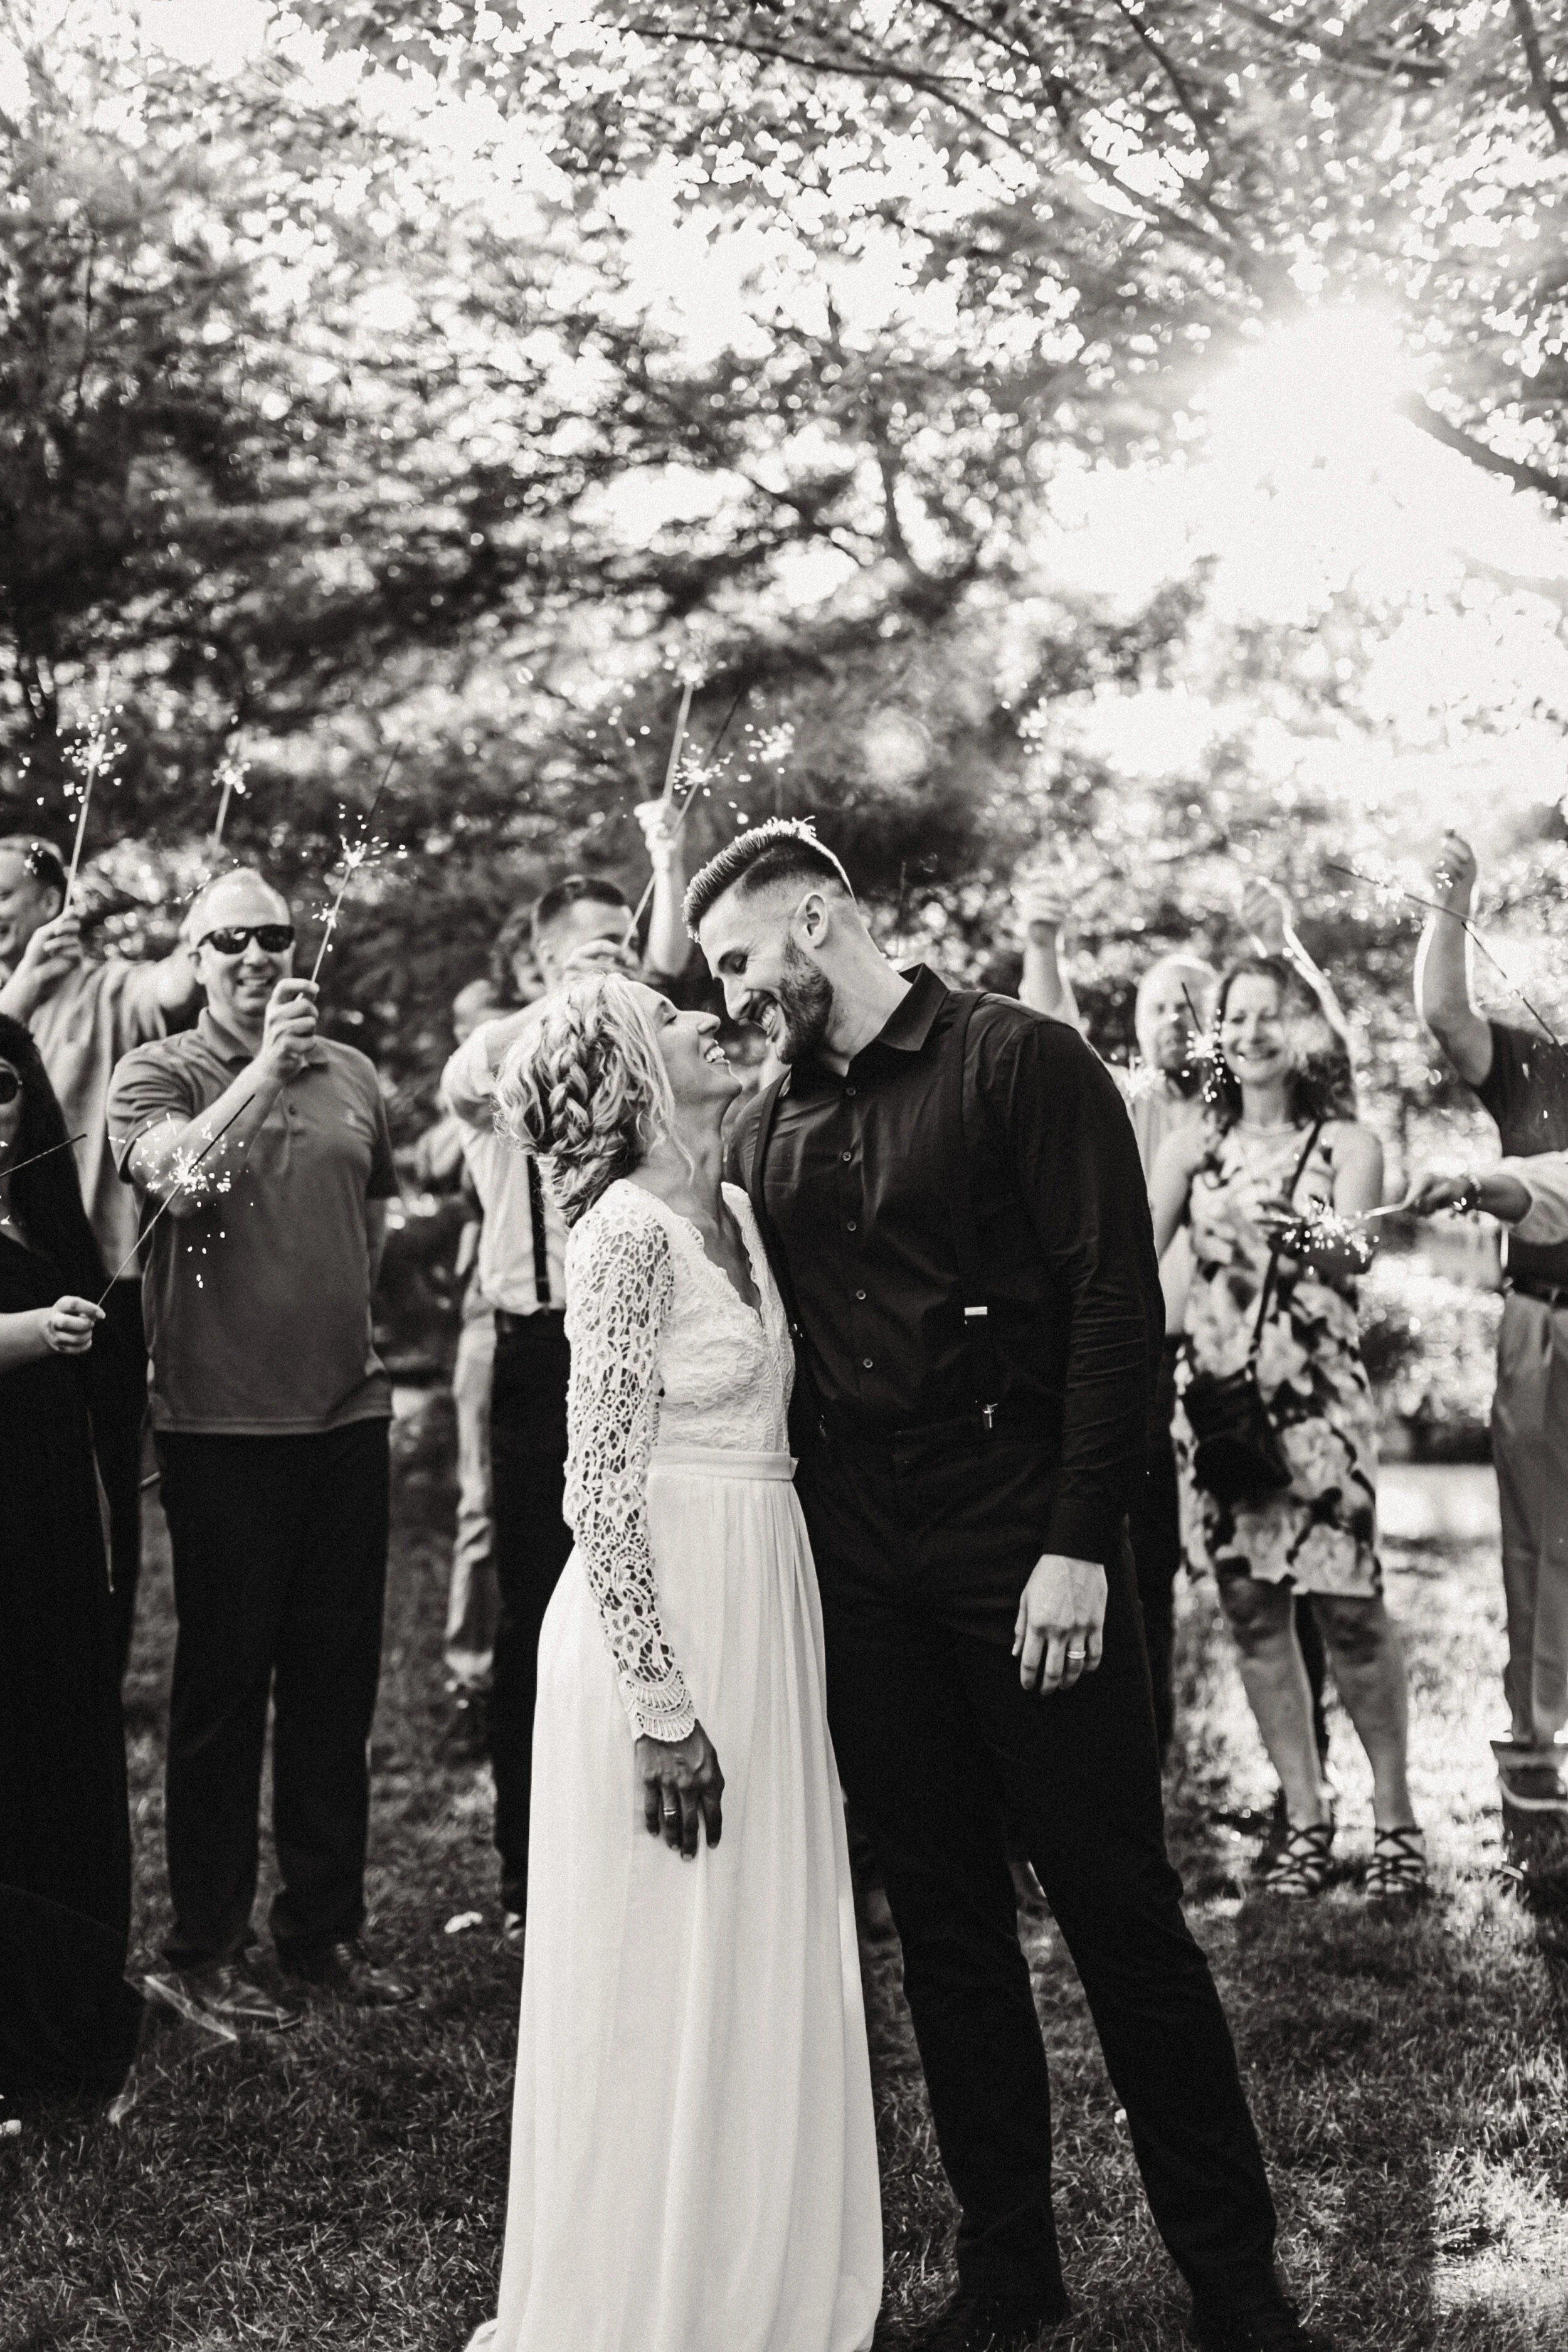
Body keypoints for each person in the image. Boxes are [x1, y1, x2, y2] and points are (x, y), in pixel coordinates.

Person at [691, 820, 1322, 2352]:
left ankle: (1235, 2283)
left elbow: (1113, 1305)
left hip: (1018, 1523)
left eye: (735, 957)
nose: (726, 992)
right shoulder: (772, 1119)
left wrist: (1073, 1543)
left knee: (1118, 1907)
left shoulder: (1018, 1060)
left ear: (819, 916)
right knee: (948, 1921)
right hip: (865, 1556)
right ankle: (1008, 2270)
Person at [465, 973, 881, 2352]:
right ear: (633, 1071)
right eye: (668, 1009)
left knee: (758, 1942)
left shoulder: (743, 1216)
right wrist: (657, 1703)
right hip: (664, 1633)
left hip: (764, 1591)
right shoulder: (624, 1237)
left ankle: (758, 2275)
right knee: (662, 1969)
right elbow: (596, 1485)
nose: (703, 1013)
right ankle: (647, 2301)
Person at [105, 866, 411, 2028]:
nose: (252, 954)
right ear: (194, 959)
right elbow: (185, 1182)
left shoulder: (357, 1076)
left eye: (272, 936)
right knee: (226, 1690)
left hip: (346, 1415)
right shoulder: (160, 1071)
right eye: (226, 938)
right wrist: (261, 1074)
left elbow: (369, 1212)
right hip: (220, 1424)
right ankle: (202, 1946)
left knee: (337, 1689)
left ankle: (322, 1932)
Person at [442, 808, 691, 1957]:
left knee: (652, 1589)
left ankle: (652, 1841)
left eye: (621, 944)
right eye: (588, 947)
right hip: (541, 1348)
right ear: (541, 961)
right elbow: (465, 1090)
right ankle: (530, 1875)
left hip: (651, 1340)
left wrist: (671, 870)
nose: (614, 962)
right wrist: (576, 995)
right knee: (542, 1597)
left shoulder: (655, 1051)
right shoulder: (503, 1042)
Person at [1017, 876, 1335, 1772]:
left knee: (1282, 1568)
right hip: (1151, 1371)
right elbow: (1056, 1038)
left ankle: (1303, 1774)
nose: (1169, 1017)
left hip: (1253, 1369)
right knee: (1142, 1562)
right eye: (1155, 1002)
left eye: (1188, 1002)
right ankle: (1146, 1759)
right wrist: (1043, 946)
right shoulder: (1129, 1104)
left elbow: (1318, 1047)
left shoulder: (1252, 1112)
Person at [1150, 956, 1424, 1904]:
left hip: (1320, 1414)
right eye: (1238, 1015)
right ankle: (1305, 1817)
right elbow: (1135, 1269)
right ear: (1216, 1033)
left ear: (1302, 1030)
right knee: (1255, 1611)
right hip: (1224, 1411)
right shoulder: (1191, 1146)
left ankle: (1395, 1824)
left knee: (1350, 1610)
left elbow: (1358, 1257)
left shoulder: (1346, 1140)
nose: (1256, 1031)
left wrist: (1308, 1235)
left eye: (1273, 1015)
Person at [0, 834, 201, 1671]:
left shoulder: (110, 988)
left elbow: (176, 985)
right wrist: (21, 991)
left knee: (103, 1468)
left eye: (3, 895)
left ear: (50, 902)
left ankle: (97, 1660)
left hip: (97, 1266)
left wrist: (212, 927)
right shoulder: (11, 992)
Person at [0, 1014, 144, 2111]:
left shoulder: (40, 1209)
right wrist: (26, 1333)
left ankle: (70, 2010)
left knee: (59, 1746)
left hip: (51, 1530)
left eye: (6, 1090)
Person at [1414, 830, 1568, 1822]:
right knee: (1538, 1539)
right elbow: (1442, 1012)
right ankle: (1538, 1738)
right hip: (1542, 1326)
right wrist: (1452, 899)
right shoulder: (1537, 1063)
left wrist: (1480, 1182)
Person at [414, 977, 506, 1758]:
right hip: (488, 1315)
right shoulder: (466, 1100)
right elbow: (435, 1163)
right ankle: (471, 1679)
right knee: (482, 1500)